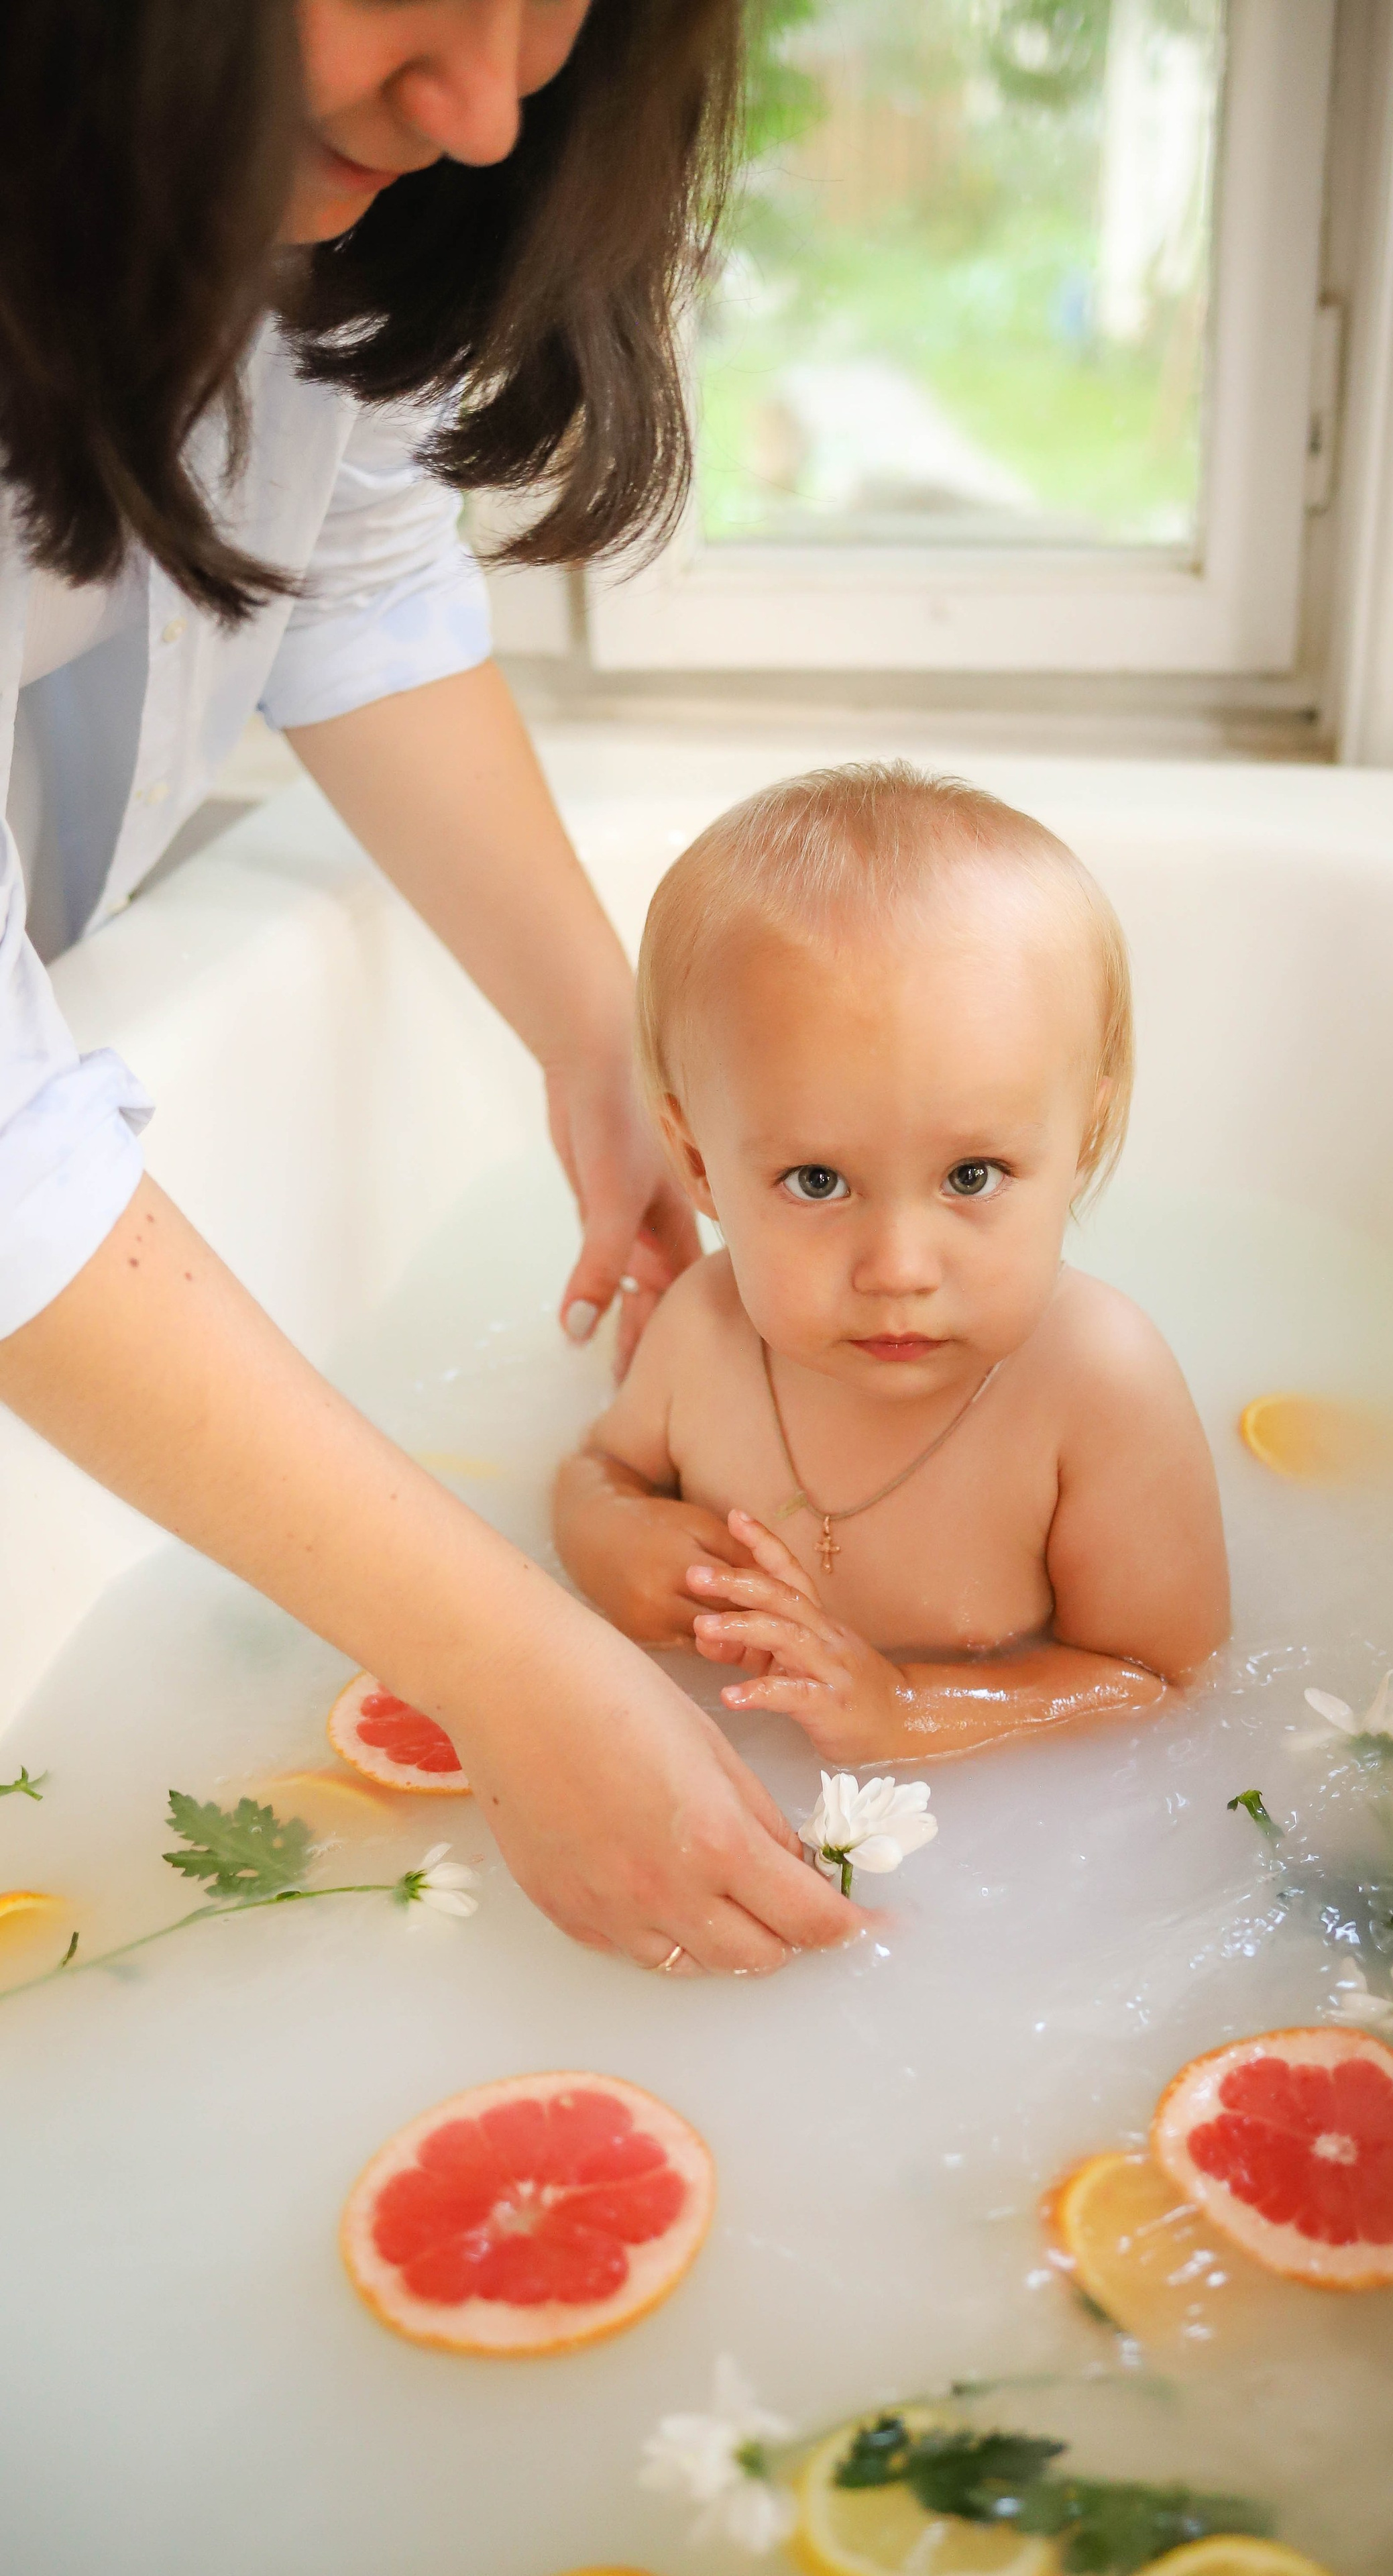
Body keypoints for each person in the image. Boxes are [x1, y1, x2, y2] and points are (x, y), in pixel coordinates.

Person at [0, 0, 860, 1977]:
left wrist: (598, 1043)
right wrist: (520, 1672)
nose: (480, 116)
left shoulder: (314, 203)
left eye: (542, 15)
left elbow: (351, 565)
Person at [555, 763, 1230, 1760]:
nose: (901, 1268)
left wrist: (911, 1710)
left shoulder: (1097, 1387)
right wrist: (608, 1538)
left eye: (972, 1175)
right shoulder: (705, 1332)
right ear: (697, 1162)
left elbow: (1165, 1678)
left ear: (1079, 1142)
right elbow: (595, 1469)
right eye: (818, 1182)